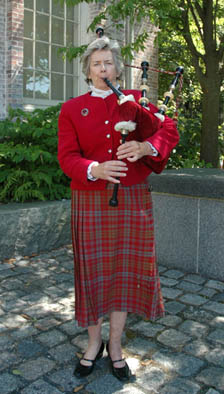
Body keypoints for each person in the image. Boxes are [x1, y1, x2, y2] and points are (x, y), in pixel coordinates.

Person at [57, 35, 179, 382]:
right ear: (88, 70)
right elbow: (67, 157)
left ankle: (115, 345)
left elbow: (169, 129)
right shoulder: (71, 108)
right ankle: (93, 344)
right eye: (96, 64)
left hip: (132, 196)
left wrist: (145, 146)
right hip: (91, 197)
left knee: (124, 272)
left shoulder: (135, 101)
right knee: (93, 272)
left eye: (108, 62)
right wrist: (94, 169)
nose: (102, 68)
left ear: (118, 67)